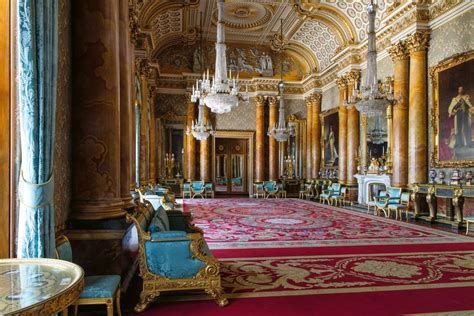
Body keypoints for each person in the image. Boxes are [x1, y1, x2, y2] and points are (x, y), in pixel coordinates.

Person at [448, 86, 473, 151]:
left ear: (463, 90)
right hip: (458, 115)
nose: (461, 90)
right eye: (459, 89)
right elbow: (450, 108)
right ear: (458, 90)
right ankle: (460, 144)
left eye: (462, 89)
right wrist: (453, 111)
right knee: (458, 129)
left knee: (467, 128)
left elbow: (470, 106)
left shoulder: (466, 98)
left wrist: (471, 110)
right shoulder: (455, 99)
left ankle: (468, 144)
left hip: (465, 115)